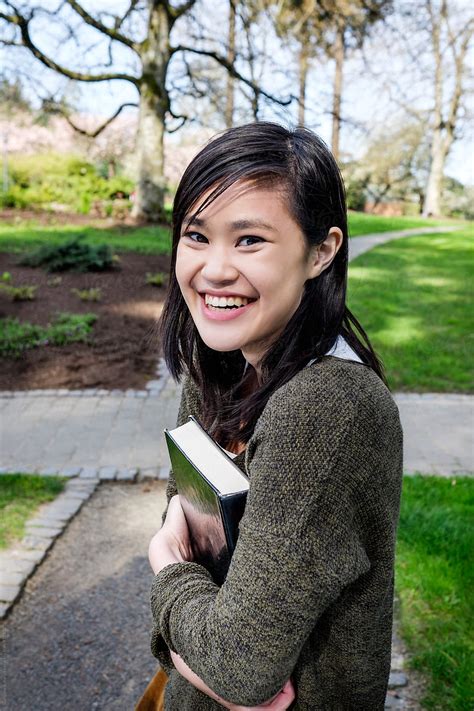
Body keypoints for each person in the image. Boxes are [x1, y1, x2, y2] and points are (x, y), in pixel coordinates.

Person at [141, 122, 403, 711]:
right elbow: (186, 514)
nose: (214, 270)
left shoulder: (327, 408)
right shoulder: (218, 366)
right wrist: (193, 648)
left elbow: (238, 670)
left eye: (250, 240)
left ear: (321, 251)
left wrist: (162, 567)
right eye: (197, 235)